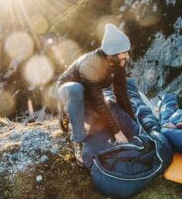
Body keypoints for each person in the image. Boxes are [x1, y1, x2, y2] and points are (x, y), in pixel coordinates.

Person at [56, 23, 135, 166]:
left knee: (99, 121)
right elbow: (99, 102)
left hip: (88, 95)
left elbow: (121, 93)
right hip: (67, 90)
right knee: (76, 89)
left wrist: (132, 120)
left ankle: (74, 112)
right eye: (124, 52)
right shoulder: (91, 66)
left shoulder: (118, 63)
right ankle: (78, 140)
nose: (127, 56)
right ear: (112, 53)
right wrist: (118, 132)